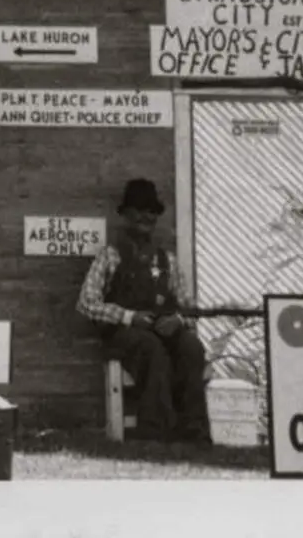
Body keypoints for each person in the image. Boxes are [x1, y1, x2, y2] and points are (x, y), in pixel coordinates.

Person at [76, 178, 211, 444]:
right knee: (152, 349)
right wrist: (129, 317)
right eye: (138, 210)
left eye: (151, 211)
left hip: (163, 331)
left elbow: (188, 307)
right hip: (124, 337)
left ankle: (194, 433)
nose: (144, 217)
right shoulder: (110, 256)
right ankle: (155, 433)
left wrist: (179, 320)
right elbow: (86, 303)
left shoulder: (167, 260)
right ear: (126, 215)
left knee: (192, 348)